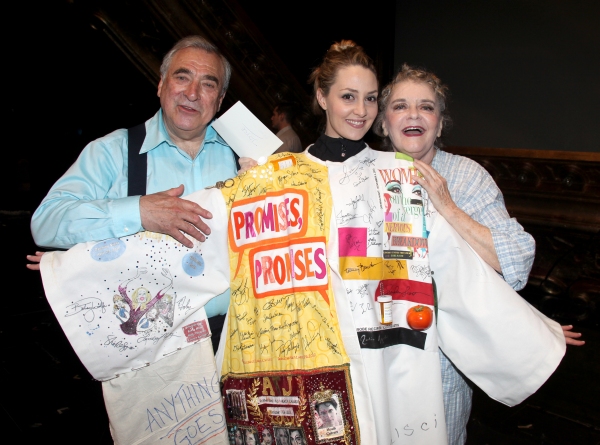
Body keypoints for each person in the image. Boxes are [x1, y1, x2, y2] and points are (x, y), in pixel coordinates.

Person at [373, 63, 585, 444]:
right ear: (384, 123)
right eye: (401, 106)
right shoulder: (362, 176)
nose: (414, 115)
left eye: (427, 107)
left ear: (440, 122)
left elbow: (513, 261)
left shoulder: (468, 177)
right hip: (376, 356)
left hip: (443, 362)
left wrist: (448, 206)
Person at [29, 35, 238, 348]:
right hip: (148, 349)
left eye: (208, 84)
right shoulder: (113, 152)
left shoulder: (244, 154)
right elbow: (46, 223)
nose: (192, 93)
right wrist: (139, 211)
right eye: (182, 77)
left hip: (235, 343)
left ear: (219, 100)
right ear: (161, 85)